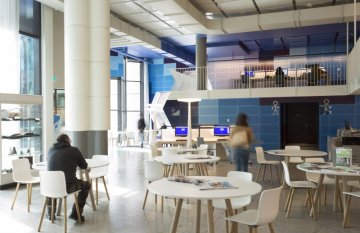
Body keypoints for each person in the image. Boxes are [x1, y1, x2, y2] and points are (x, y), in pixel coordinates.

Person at [47, 134, 90, 221]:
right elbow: (84, 166)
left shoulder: (50, 150)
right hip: (67, 187)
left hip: (49, 187)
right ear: (67, 140)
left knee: (54, 183)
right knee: (87, 185)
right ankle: (75, 214)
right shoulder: (74, 150)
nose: (71, 142)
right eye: (70, 140)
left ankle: (50, 214)